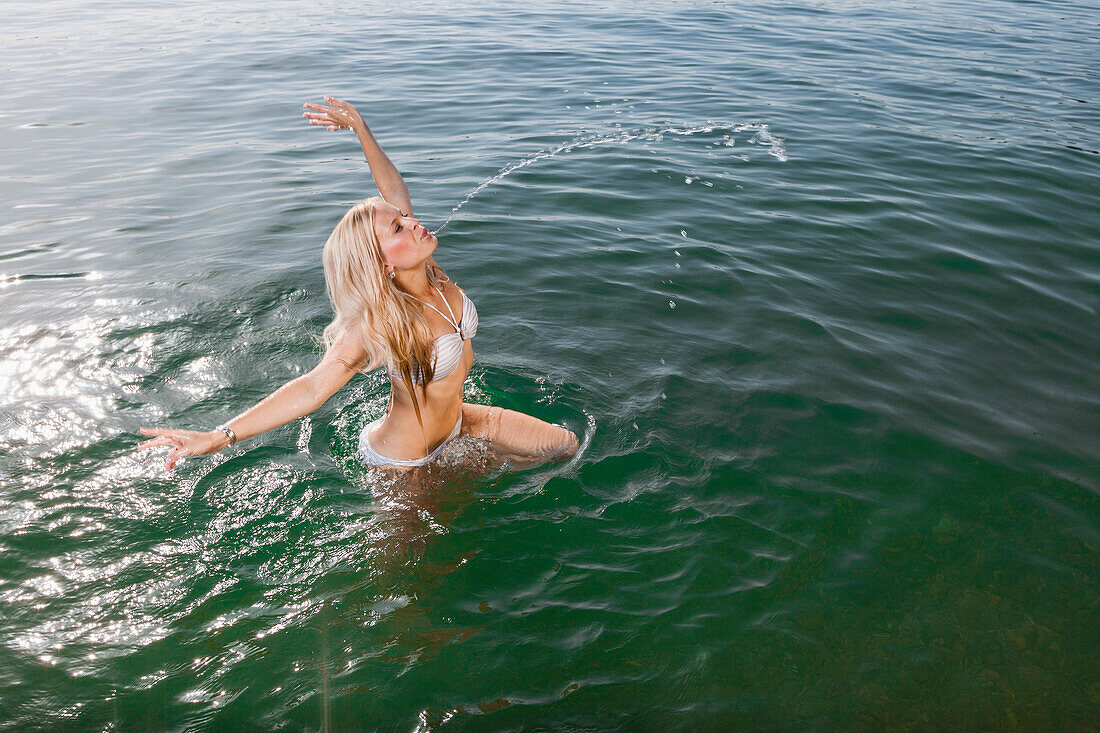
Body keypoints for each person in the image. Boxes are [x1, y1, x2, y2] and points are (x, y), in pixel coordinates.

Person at [138, 97, 579, 472]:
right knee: (423, 571)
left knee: (564, 447)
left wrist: (361, 129)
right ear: (381, 262)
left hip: (462, 423)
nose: (413, 222)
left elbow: (393, 190)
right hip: (406, 462)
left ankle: (475, 465)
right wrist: (220, 436)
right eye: (399, 229)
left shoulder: (430, 271)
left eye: (406, 218)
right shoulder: (379, 322)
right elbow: (312, 387)